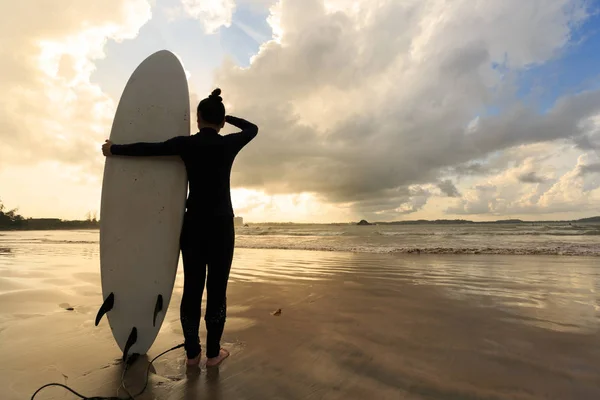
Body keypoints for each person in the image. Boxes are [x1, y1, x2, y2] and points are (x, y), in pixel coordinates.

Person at [102, 88, 258, 367]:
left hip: (194, 224)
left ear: (197, 119)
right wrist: (225, 115)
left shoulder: (186, 144)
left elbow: (149, 149)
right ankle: (213, 355)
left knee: (193, 288)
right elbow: (252, 128)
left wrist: (114, 150)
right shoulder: (228, 144)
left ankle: (191, 354)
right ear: (221, 122)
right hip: (221, 225)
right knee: (217, 289)